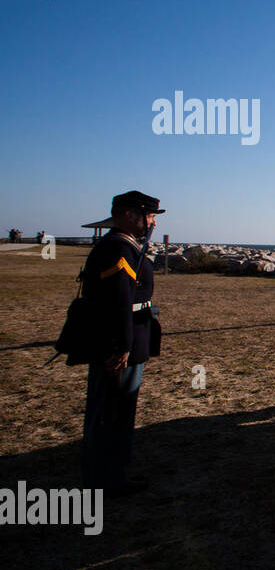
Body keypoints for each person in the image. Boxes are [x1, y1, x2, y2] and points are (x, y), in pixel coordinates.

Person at [79, 190, 164, 496]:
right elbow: (119, 301)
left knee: (115, 408)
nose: (152, 221)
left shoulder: (123, 246)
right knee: (112, 411)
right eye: (150, 215)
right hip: (117, 342)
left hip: (124, 338)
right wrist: (123, 346)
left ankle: (109, 472)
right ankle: (105, 479)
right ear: (129, 215)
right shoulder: (118, 249)